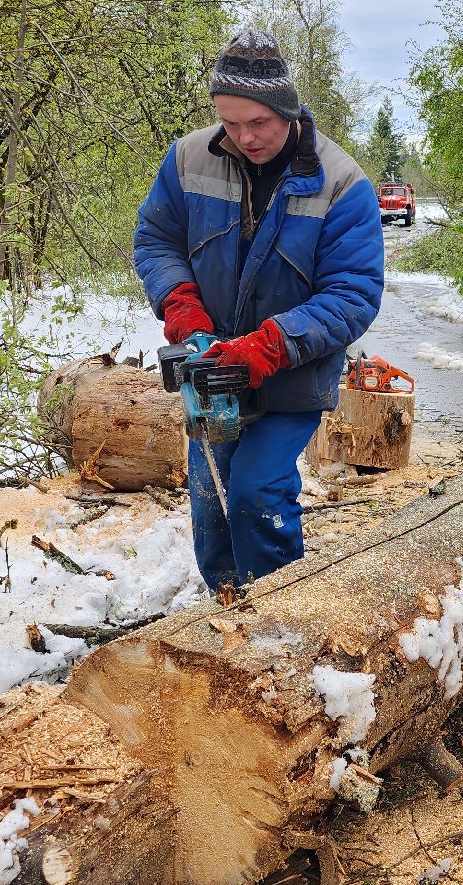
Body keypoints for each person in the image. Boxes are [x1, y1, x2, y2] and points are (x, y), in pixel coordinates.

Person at [133, 30, 384, 593]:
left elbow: (354, 294)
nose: (245, 137)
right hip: (211, 370)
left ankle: (280, 612)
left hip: (292, 374)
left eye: (258, 123)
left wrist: (269, 346)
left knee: (255, 493)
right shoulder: (188, 159)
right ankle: (225, 612)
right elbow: (155, 239)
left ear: (287, 110)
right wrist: (181, 305)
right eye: (230, 122)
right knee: (212, 502)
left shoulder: (342, 185)